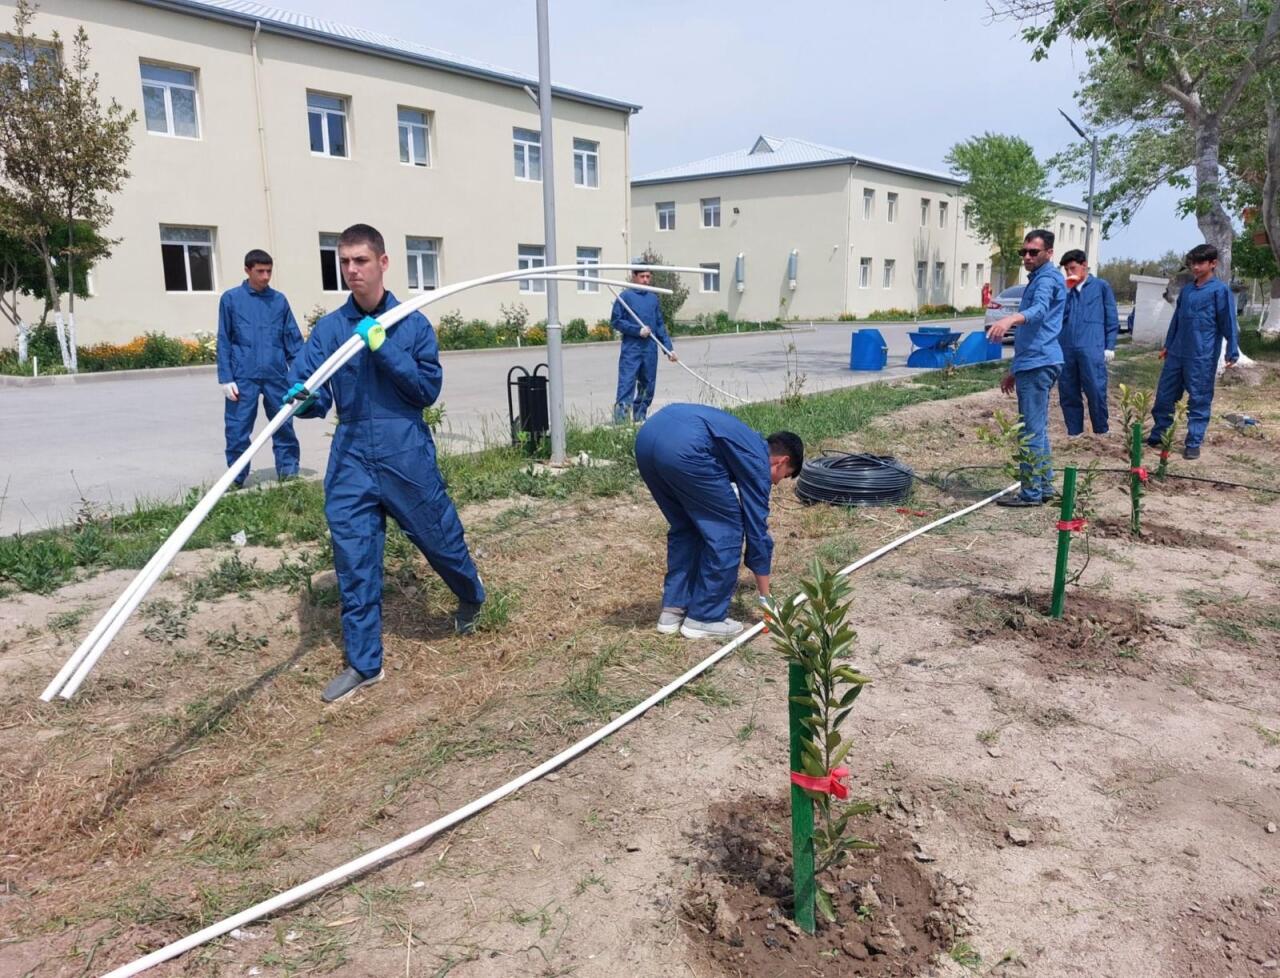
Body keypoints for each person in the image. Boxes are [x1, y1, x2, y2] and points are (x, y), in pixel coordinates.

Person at [283, 224, 485, 703]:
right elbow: (312, 391)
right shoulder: (331, 329)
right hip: (351, 455)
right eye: (345, 262)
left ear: (383, 263)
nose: (352, 270)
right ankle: (364, 663)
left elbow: (425, 390)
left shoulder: (411, 324)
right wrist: (301, 399)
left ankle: (470, 593)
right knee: (353, 557)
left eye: (361, 261)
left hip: (404, 451)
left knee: (438, 536)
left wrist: (383, 346)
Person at [634, 403, 803, 640]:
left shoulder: (744, 441)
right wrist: (766, 597)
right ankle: (705, 617)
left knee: (687, 526)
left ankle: (672, 611)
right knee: (728, 529)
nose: (775, 483)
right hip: (686, 447)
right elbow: (757, 532)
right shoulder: (757, 460)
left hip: (647, 438)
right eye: (783, 476)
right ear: (781, 461)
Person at [985, 229, 1066, 507]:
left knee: (1030, 431)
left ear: (1049, 253)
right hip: (1035, 361)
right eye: (1024, 252)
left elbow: (1039, 311)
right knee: (1037, 429)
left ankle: (1031, 493)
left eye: (1034, 252)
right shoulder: (1040, 278)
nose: (1027, 257)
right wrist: (1015, 370)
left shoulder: (1046, 279)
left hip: (1040, 361)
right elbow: (1034, 333)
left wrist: (1009, 320)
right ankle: (1044, 487)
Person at [216, 249, 303, 488]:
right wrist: (226, 377)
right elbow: (224, 339)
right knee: (237, 429)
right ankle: (236, 478)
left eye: (269, 271)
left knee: (283, 424)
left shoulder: (279, 301)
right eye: (260, 271)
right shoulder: (231, 299)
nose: (265, 277)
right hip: (243, 376)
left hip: (276, 375)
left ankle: (289, 473)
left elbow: (292, 339)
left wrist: (300, 374)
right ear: (247, 270)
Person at [1148, 243, 1239, 460]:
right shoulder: (1187, 290)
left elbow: (1228, 322)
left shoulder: (1219, 291)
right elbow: (1177, 320)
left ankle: (1193, 442)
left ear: (1213, 264)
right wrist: (1168, 345)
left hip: (1201, 355)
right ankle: (1159, 434)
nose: (1195, 268)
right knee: (1164, 396)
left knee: (1199, 399)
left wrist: (1232, 350)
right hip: (1177, 353)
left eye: (1200, 263)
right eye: (1193, 264)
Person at [1057, 249, 1119, 437]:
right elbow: (1058, 317)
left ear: (1084, 265)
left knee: (1095, 389)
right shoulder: (1065, 290)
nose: (1070, 273)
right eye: (1066, 270)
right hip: (1067, 347)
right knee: (1068, 390)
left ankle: (1101, 430)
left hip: (1092, 346)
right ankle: (1074, 432)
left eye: (1072, 268)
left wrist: (1110, 345)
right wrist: (1067, 290)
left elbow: (1111, 317)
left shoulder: (1100, 287)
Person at [610, 266, 677, 423]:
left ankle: (640, 418)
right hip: (632, 349)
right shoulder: (625, 297)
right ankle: (621, 423)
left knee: (648, 385)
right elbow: (616, 321)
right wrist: (637, 330)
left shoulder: (653, 298)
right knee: (626, 384)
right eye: (642, 276)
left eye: (648, 276)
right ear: (634, 276)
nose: (646, 280)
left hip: (650, 349)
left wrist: (669, 349)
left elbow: (659, 325)